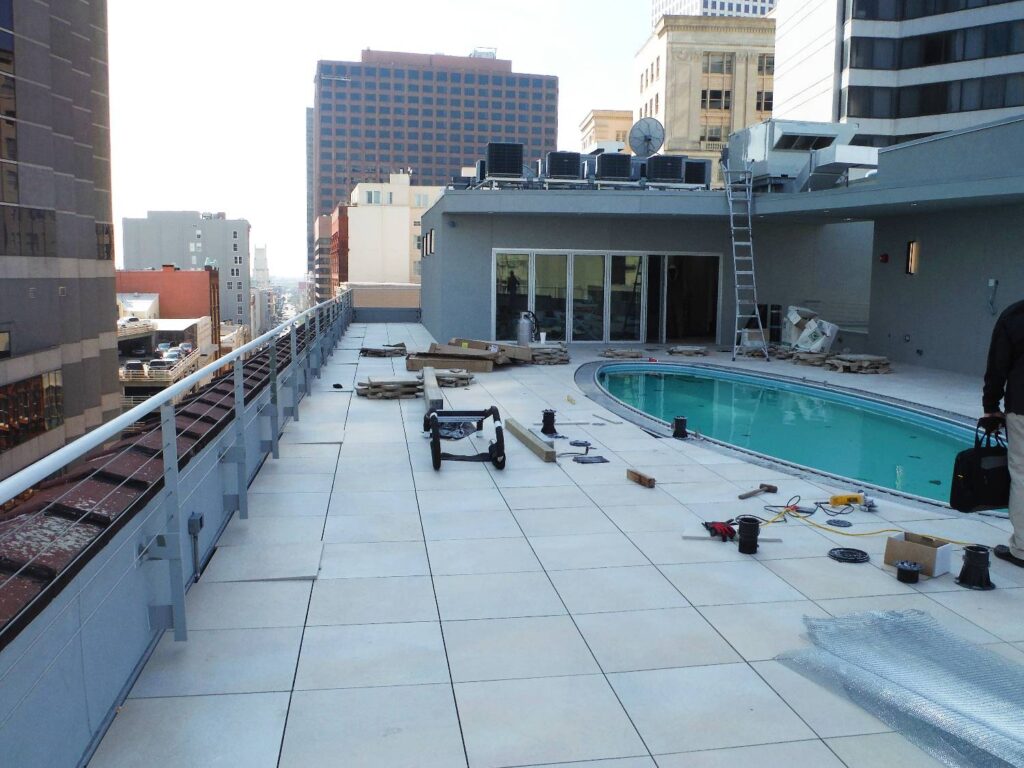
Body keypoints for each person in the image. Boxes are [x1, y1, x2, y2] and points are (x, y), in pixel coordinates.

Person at [983, 298, 1024, 567]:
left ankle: (1022, 549)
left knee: (1022, 474)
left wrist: (991, 406)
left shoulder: (1015, 315)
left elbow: (998, 366)